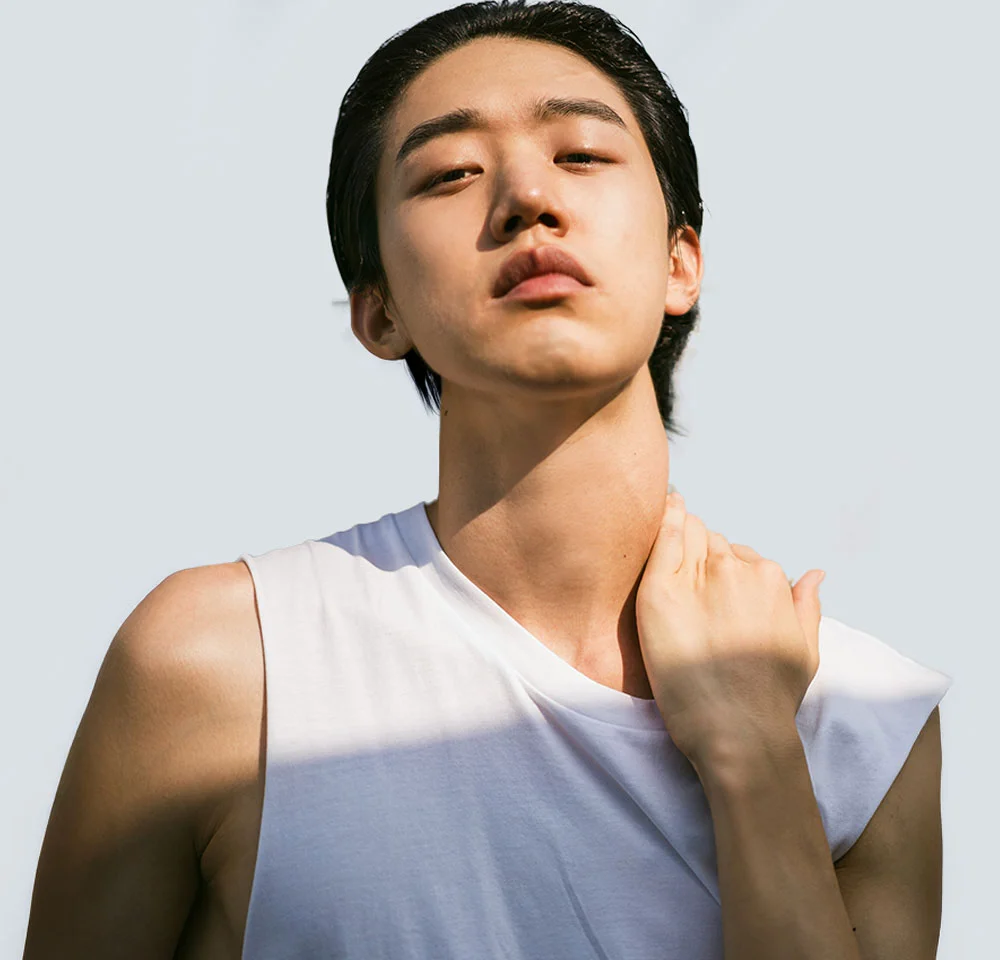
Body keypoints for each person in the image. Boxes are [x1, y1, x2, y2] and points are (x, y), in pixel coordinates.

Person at [24, 2, 952, 958]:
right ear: (378, 311)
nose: (524, 196)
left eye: (582, 155)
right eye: (449, 174)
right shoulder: (225, 662)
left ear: (683, 263)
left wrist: (755, 753)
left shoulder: (856, 718)